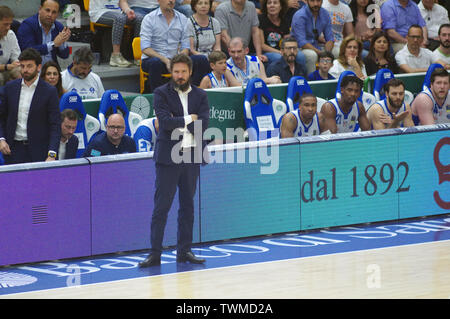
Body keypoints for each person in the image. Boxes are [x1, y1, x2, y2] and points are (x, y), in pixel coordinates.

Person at [139, 54, 210, 267]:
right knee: (162, 207)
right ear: (172, 72)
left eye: (183, 72)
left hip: (191, 156)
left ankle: (184, 251)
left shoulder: (200, 95)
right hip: (168, 159)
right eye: (176, 72)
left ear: (190, 72)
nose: (179, 76)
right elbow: (165, 123)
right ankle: (155, 253)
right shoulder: (161, 93)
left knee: (187, 206)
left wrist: (180, 121)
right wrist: (190, 118)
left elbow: (203, 124)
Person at [0, 48, 61, 164]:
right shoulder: (10, 88)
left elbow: (55, 124)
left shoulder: (49, 91)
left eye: (29, 66)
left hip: (40, 151)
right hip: (13, 150)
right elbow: (1, 117)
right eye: (22, 66)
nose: (25, 70)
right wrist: (1, 139)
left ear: (38, 67)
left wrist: (52, 153)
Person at [140, 0, 209, 93]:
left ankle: (192, 93)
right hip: (154, 59)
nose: (171, 1)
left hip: (175, 59)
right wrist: (165, 60)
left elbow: (186, 46)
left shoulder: (182, 18)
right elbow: (145, 48)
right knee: (155, 63)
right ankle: (158, 98)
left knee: (201, 59)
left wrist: (178, 60)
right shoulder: (149, 18)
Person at [88, 0, 143, 67]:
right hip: (99, 12)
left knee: (139, 19)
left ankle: (138, 55)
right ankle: (115, 56)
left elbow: (122, 1)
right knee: (119, 18)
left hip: (118, 12)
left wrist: (128, 10)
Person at [17, 0, 70, 66]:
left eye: (54, 12)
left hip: (51, 70)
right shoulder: (27, 25)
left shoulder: (59, 27)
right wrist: (53, 44)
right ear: (40, 9)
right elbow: (27, 52)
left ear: (57, 14)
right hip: (32, 70)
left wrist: (62, 41)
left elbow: (65, 56)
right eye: (47, 10)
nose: (50, 15)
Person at [290, 0, 335, 75]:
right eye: (312, 1)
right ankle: (312, 82)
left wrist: (327, 53)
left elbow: (330, 38)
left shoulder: (325, 14)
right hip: (299, 48)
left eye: (318, 1)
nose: (316, 4)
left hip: (317, 45)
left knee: (338, 51)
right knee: (312, 55)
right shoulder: (300, 15)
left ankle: (334, 81)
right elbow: (302, 42)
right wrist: (319, 53)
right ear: (307, 1)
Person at [258, 0, 306, 67]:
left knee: (300, 56)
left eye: (275, 3)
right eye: (269, 3)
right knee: (279, 58)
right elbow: (262, 45)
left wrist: (289, 50)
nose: (272, 5)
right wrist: (280, 52)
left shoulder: (284, 21)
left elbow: (287, 41)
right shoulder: (261, 19)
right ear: (266, 6)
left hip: (282, 50)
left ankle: (299, 76)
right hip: (267, 52)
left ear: (281, 7)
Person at [0, 6, 21, 86]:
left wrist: (16, 65)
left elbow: (17, 58)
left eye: (10, 24)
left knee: (21, 72)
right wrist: (6, 67)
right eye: (5, 24)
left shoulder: (10, 34)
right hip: (4, 70)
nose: (8, 28)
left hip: (6, 70)